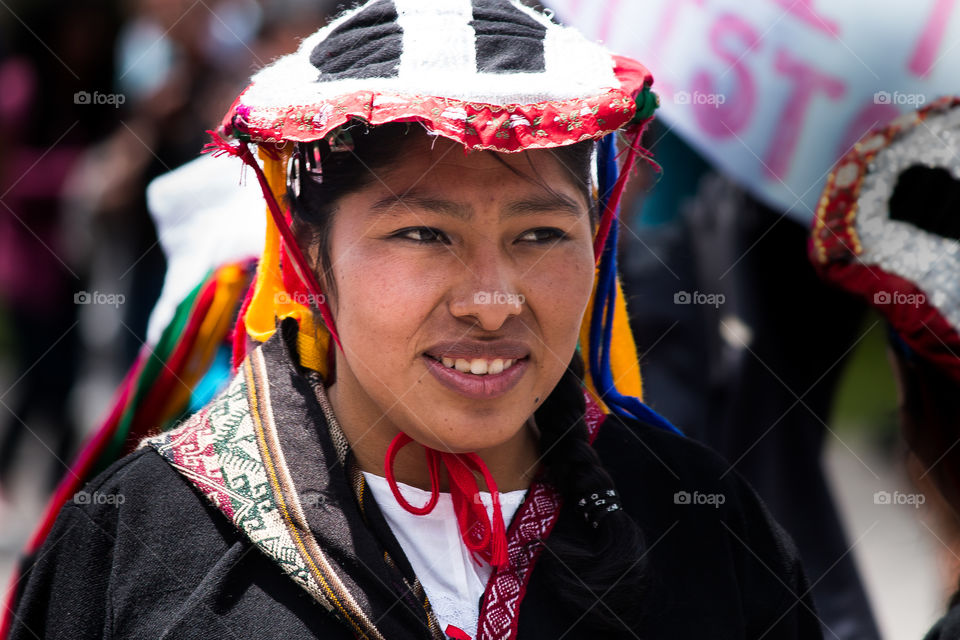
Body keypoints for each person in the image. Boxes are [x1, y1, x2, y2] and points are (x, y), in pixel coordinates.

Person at [7, 2, 823, 638]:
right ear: (307, 254)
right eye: (423, 234)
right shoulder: (143, 543)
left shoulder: (701, 522)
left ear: (600, 235)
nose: (491, 299)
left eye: (540, 234)